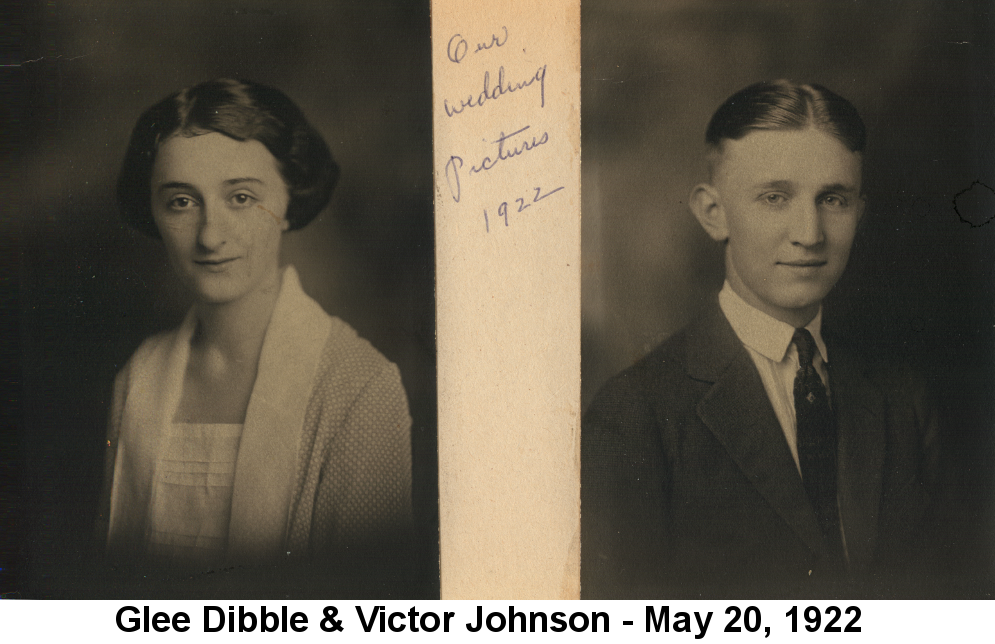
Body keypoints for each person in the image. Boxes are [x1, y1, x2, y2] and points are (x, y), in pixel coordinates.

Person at [581, 80, 940, 598]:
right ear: (714, 213)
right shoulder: (634, 417)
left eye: (833, 199)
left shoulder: (903, 401)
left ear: (860, 211)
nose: (810, 233)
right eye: (775, 197)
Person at [97, 79, 413, 581]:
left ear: (288, 200)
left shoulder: (359, 389)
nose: (210, 235)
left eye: (241, 197)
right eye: (181, 202)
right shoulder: (137, 378)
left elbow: (367, 602)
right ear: (154, 213)